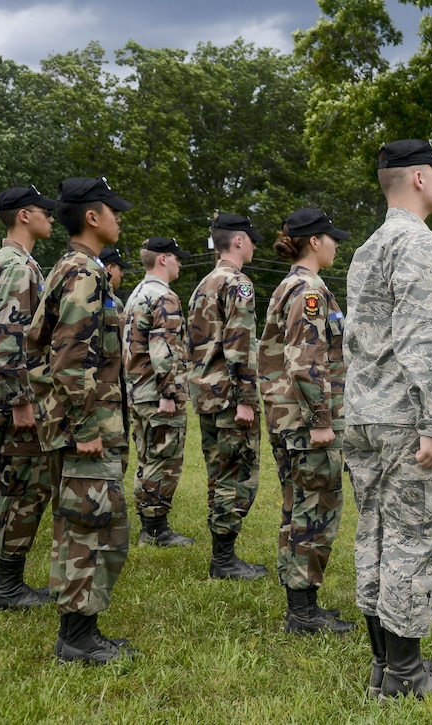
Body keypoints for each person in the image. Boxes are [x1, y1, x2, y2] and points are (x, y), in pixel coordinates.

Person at [344, 139, 432, 699]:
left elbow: (359, 338)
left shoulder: (369, 246)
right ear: (419, 178)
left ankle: (382, 664)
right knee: (418, 538)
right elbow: (423, 340)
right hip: (404, 418)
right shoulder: (417, 244)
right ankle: (404, 674)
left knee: (375, 531)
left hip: (366, 415)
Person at [27, 176, 135, 663]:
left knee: (85, 527)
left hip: (75, 423)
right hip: (83, 428)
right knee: (93, 530)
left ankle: (80, 631)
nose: (119, 218)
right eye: (113, 210)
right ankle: (76, 637)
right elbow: (69, 358)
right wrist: (87, 429)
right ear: (93, 217)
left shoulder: (72, 268)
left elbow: (38, 348)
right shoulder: (84, 273)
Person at [259, 208, 353, 635]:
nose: (336, 243)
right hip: (306, 424)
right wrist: (320, 420)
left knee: (302, 508)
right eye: (330, 237)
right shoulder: (307, 290)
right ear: (314, 241)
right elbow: (306, 362)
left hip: (292, 420)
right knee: (312, 511)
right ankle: (302, 613)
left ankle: (304, 605)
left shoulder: (294, 286)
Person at [0, 186, 56, 609]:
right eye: (44, 211)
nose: (51, 217)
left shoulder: (10, 262)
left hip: (1, 395)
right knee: (26, 489)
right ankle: (7, 585)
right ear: (24, 215)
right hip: (14, 400)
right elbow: (5, 337)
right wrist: (22, 400)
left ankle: (1, 581)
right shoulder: (17, 267)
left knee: (5, 487)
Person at [187, 213, 266, 580]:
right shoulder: (238, 284)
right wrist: (247, 398)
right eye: (250, 239)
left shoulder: (204, 283)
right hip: (230, 397)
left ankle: (222, 555)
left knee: (219, 474)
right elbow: (240, 346)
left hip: (206, 393)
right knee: (238, 474)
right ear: (237, 241)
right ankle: (223, 559)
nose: (253, 245)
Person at [122, 237, 194, 547]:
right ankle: (154, 530)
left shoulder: (137, 293)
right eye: (177, 257)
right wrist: (169, 392)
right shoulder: (164, 297)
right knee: (163, 461)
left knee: (148, 457)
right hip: (157, 393)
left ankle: (149, 524)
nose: (180, 263)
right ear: (163, 259)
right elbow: (163, 349)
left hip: (138, 390)